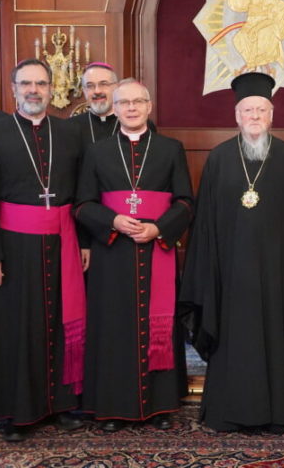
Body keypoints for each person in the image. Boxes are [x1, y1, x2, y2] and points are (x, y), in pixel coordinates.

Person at [180, 72, 284, 433]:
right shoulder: (219, 159)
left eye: (261, 109)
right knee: (230, 336)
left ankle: (274, 415)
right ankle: (225, 413)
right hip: (228, 273)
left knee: (272, 336)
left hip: (275, 273)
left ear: (272, 115)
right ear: (236, 115)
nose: (255, 116)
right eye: (248, 110)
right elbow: (205, 224)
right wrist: (207, 271)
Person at [0, 59, 87, 441]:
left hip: (62, 242)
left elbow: (83, 192)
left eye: (40, 84)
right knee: (15, 328)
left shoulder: (69, 133)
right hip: (11, 246)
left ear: (51, 89)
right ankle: (14, 412)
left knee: (59, 322)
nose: (33, 90)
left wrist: (84, 241)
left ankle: (60, 405)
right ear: (13, 89)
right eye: (26, 84)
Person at [75, 79, 193, 431]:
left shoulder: (171, 149)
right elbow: (82, 204)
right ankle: (113, 408)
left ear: (149, 106)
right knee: (114, 326)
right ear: (114, 109)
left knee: (160, 324)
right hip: (112, 253)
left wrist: (158, 228)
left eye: (138, 102)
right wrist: (113, 221)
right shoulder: (97, 151)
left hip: (157, 248)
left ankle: (161, 407)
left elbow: (186, 202)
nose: (131, 108)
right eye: (124, 103)